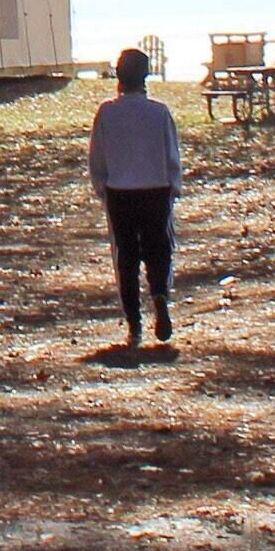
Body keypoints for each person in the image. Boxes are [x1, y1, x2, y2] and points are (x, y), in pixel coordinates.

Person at [89, 45, 181, 350]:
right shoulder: (159, 112)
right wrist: (173, 185)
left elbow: (97, 156)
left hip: (120, 191)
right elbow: (171, 154)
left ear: (118, 76)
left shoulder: (107, 112)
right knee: (159, 248)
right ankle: (160, 295)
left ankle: (134, 323)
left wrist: (101, 187)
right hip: (156, 187)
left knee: (125, 257)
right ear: (147, 76)